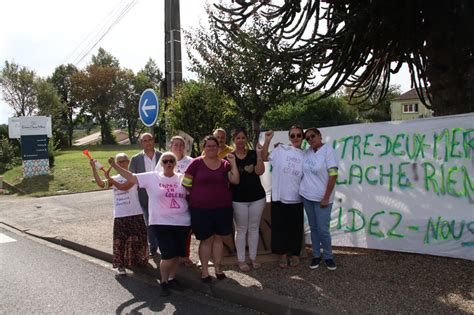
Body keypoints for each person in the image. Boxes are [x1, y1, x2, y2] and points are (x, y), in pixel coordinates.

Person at [109, 152, 191, 297]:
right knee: (167, 255)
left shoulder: (181, 178)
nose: (168, 164)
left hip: (182, 222)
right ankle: (164, 282)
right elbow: (131, 177)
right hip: (161, 222)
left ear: (175, 163)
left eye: (171, 161)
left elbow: (192, 192)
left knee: (177, 254)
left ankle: (172, 279)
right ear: (161, 163)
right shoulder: (152, 176)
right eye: (165, 161)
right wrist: (115, 166)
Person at [182, 135, 239, 282]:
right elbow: (185, 183)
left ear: (219, 148)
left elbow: (235, 180)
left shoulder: (225, 164)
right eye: (208, 146)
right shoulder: (196, 163)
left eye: (214, 146)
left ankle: (219, 268)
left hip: (222, 208)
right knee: (206, 240)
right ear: (204, 148)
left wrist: (233, 163)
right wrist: (195, 196)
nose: (211, 148)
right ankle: (205, 271)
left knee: (219, 238)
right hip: (201, 209)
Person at [89, 153, 148, 276]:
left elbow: (124, 187)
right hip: (120, 214)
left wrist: (110, 179)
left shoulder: (133, 177)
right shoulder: (114, 177)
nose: (122, 164)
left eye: (124, 161)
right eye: (119, 161)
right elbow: (101, 184)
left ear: (128, 162)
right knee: (120, 241)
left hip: (135, 212)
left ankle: (139, 261)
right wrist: (94, 168)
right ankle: (120, 266)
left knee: (139, 239)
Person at [262, 126, 304, 269]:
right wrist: (268, 140)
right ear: (289, 137)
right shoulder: (280, 150)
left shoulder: (306, 155)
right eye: (292, 135)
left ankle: (295, 254)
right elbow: (263, 157)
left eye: (299, 135)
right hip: (279, 196)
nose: (296, 138)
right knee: (280, 227)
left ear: (302, 137)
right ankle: (283, 255)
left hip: (297, 197)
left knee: (295, 228)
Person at [299, 128, 339, 271]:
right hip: (307, 197)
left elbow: (333, 174)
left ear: (320, 136)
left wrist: (326, 197)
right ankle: (316, 255)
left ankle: (328, 256)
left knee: (323, 229)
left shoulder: (328, 151)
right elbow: (294, 152)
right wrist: (280, 146)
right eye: (307, 138)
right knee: (314, 228)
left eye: (313, 136)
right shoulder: (307, 152)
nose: (310, 139)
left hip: (322, 199)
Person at [230, 128, 266, 272]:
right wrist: (232, 163)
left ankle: (253, 257)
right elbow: (234, 181)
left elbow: (259, 171)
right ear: (233, 140)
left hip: (257, 197)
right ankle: (241, 259)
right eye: (238, 138)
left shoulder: (252, 153)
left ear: (246, 139)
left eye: (243, 138)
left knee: (254, 228)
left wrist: (258, 155)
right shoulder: (229, 157)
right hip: (238, 199)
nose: (241, 141)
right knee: (241, 229)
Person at [156, 136, 194, 267]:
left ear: (185, 147)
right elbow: (156, 178)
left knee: (185, 228)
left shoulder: (190, 161)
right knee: (169, 229)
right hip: (167, 200)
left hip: (186, 199)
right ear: (170, 146)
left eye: (181, 145)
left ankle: (184, 255)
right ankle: (171, 255)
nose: (178, 147)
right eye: (176, 145)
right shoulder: (164, 159)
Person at [129, 133, 162, 257]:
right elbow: (131, 177)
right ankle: (152, 246)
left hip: (161, 194)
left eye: (150, 140)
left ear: (154, 141)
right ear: (141, 143)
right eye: (145, 140)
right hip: (144, 195)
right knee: (149, 221)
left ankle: (162, 245)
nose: (148, 142)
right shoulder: (136, 159)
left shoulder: (163, 156)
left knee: (161, 221)